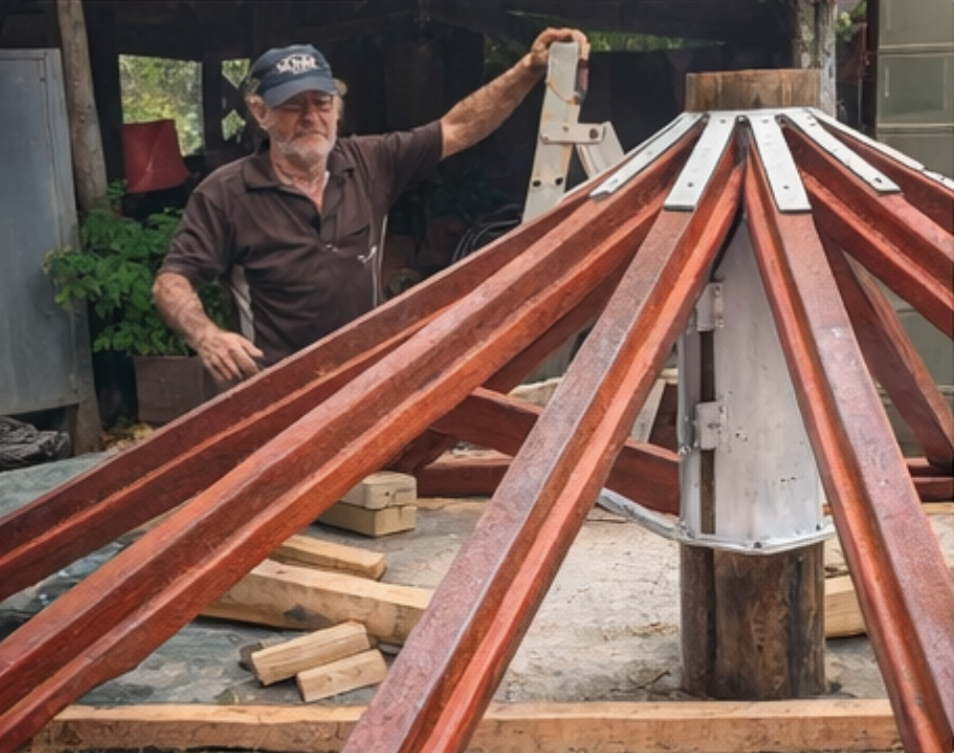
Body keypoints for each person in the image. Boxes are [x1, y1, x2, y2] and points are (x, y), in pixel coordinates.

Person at [153, 28, 589, 386]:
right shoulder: (225, 194)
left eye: (321, 103)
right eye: (292, 106)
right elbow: (171, 283)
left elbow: (458, 127)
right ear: (260, 111)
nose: (310, 117)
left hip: (361, 385)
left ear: (337, 108)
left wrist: (528, 69)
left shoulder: (369, 162)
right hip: (272, 393)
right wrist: (207, 337)